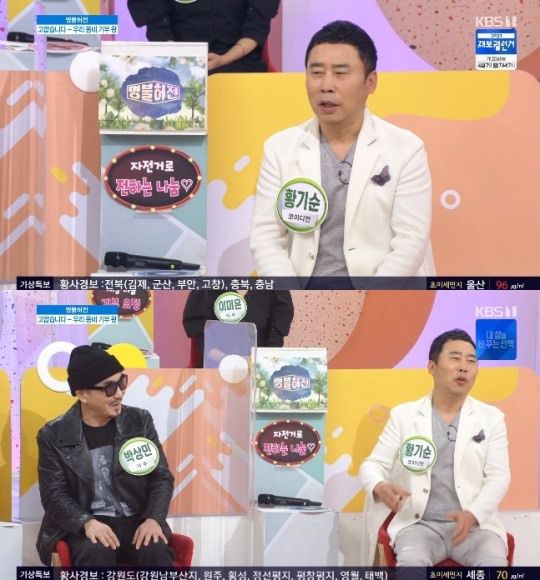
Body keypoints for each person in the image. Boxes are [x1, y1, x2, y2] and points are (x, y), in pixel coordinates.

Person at [250, 21, 435, 283]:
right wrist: (291, 297)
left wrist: (370, 300)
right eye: (316, 72)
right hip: (301, 292)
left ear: (370, 82)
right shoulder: (279, 148)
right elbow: (267, 238)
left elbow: (410, 243)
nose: (326, 85)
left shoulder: (406, 149)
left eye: (340, 73)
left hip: (383, 293)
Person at [359, 329, 510, 568]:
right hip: (420, 526)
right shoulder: (404, 416)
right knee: (411, 564)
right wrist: (379, 485)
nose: (464, 367)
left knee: (494, 563)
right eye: (455, 358)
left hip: (476, 528)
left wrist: (473, 515)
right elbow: (373, 464)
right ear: (432, 367)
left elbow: (499, 476)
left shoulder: (492, 418)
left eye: (471, 361)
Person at [36, 345, 175, 567]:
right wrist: (86, 522)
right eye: (109, 388)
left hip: (136, 519)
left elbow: (161, 477)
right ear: (82, 394)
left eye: (122, 382)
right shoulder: (53, 435)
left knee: (155, 550)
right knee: (96, 552)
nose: (119, 393)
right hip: (88, 523)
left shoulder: (139, 421)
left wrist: (153, 518)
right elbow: (54, 495)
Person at [127, 0, 280, 73]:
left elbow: (255, 30)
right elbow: (159, 31)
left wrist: (224, 59)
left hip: (239, 63)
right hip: (179, 64)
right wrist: (186, 62)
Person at [182, 290, 294, 367]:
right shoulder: (207, 288)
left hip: (256, 373)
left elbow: (274, 343)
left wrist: (257, 362)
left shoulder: (274, 288)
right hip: (215, 372)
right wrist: (230, 361)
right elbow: (203, 343)